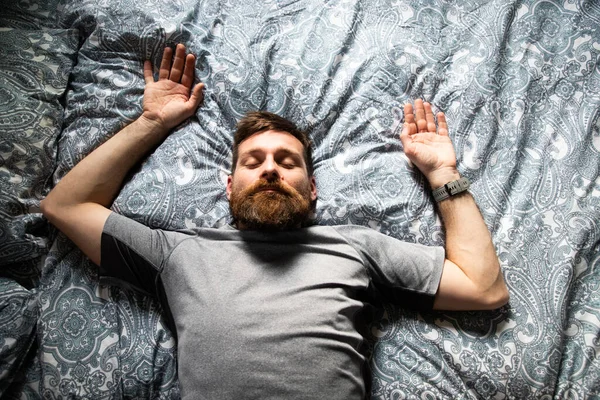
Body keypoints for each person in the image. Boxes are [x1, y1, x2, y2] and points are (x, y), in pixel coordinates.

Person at [41, 44, 509, 399]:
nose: (270, 169)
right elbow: (67, 206)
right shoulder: (178, 252)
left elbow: (483, 289)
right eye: (253, 161)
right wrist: (152, 121)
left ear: (312, 190)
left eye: (288, 161)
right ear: (228, 188)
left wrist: (443, 173)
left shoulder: (355, 247)